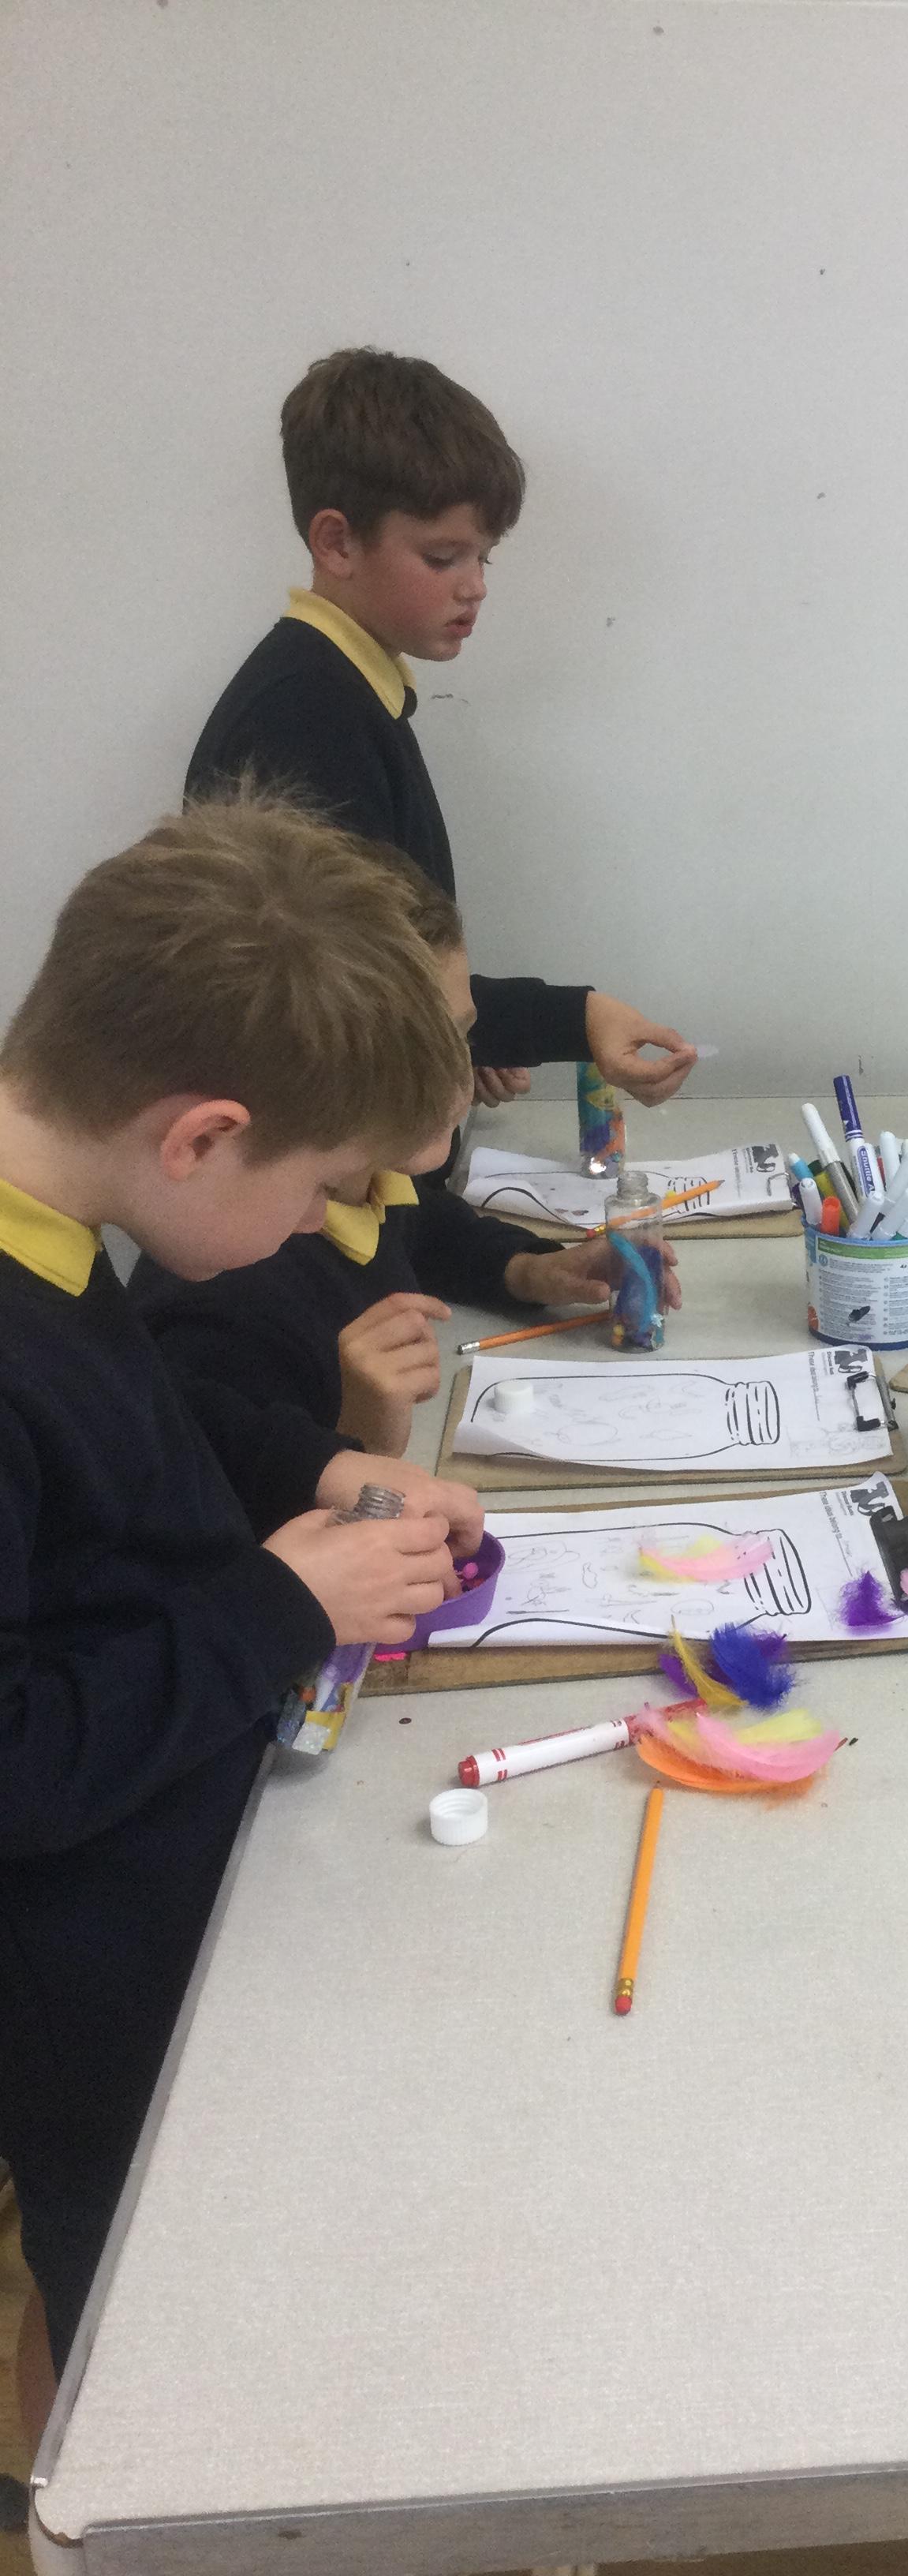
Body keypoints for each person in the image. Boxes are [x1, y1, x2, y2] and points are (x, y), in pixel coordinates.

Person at [0, 801, 486, 2435]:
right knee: (131, 2324)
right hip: (82, 1989)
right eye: (324, 1188)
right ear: (204, 1136)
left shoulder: (51, 1226)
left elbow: (129, 1443)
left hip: (164, 1872)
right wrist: (279, 1599)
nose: (320, 1231)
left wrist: (326, 1477)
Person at [185, 345, 696, 1107]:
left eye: (484, 559)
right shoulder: (303, 717)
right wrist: (550, 1022)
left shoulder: (349, 691)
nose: (475, 587)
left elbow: (394, 960)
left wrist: (472, 1036)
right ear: (338, 542)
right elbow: (341, 1002)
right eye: (442, 557)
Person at [129, 849, 678, 1454]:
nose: (460, 1075)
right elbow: (234, 1496)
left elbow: (425, 1230)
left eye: (463, 1035)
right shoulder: (218, 1299)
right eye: (421, 1047)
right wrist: (362, 1438)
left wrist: (530, 1271)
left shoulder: (370, 1183)